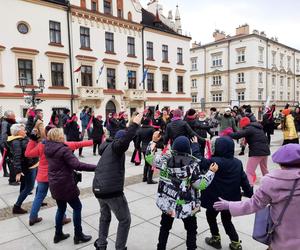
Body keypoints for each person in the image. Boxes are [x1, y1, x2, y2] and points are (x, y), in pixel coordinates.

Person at [213, 144, 300, 250]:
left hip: (282, 241)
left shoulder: (271, 182)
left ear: (280, 163)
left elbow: (253, 204)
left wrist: (229, 205)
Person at [146, 134, 218, 250]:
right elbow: (200, 184)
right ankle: (191, 248)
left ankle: (161, 247)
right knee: (191, 229)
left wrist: (153, 141)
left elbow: (149, 157)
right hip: (186, 206)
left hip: (168, 203)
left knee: (164, 227)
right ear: (188, 149)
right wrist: (211, 172)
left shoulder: (164, 160)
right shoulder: (192, 165)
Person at [93, 113, 143, 250]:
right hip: (111, 190)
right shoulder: (116, 147)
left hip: (98, 187)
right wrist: (135, 125)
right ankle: (120, 248)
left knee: (105, 216)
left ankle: (101, 245)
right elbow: (125, 140)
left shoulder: (107, 147)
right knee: (125, 219)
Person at [25, 127, 93, 226]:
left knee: (39, 197)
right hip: (56, 176)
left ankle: (32, 217)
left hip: (42, 176)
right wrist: (93, 141)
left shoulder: (41, 145)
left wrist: (32, 140)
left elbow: (28, 153)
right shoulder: (62, 146)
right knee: (60, 198)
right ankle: (62, 218)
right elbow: (78, 144)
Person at [44, 128, 96, 244]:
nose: (64, 136)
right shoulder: (63, 150)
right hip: (65, 184)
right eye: (62, 135)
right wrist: (96, 167)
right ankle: (78, 235)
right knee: (77, 207)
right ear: (59, 137)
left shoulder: (47, 148)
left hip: (54, 183)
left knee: (61, 209)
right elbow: (77, 165)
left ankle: (58, 235)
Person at [201, 136, 253, 250]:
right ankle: (235, 242)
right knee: (227, 220)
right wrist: (250, 194)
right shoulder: (237, 163)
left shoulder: (214, 162)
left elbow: (200, 162)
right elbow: (244, 179)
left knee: (210, 216)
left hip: (214, 199)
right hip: (230, 201)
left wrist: (195, 146)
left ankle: (215, 238)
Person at [7, 124, 39, 214]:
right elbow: (16, 157)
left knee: (34, 184)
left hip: (34, 163)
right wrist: (18, 171)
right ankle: (17, 206)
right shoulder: (16, 142)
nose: (25, 131)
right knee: (29, 187)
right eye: (23, 130)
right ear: (18, 132)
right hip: (29, 167)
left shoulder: (22, 138)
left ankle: (38, 200)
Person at [229, 117, 270, 187]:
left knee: (249, 171)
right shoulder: (257, 128)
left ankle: (249, 187)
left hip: (256, 152)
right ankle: (270, 184)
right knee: (264, 169)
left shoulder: (249, 129)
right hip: (265, 151)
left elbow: (237, 135)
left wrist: (229, 133)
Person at [135, 117, 156, 184]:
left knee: (146, 163)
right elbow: (155, 139)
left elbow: (137, 141)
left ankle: (144, 178)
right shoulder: (152, 129)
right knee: (151, 164)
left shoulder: (139, 130)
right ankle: (149, 179)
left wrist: (138, 148)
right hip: (151, 147)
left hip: (144, 148)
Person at [0, 110, 17, 185]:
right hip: (6, 145)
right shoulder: (5, 123)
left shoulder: (8, 122)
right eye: (13, 116)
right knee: (9, 160)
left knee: (8, 159)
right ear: (9, 116)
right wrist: (5, 146)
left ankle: (8, 174)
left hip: (8, 144)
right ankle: (10, 177)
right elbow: (3, 135)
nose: (14, 117)